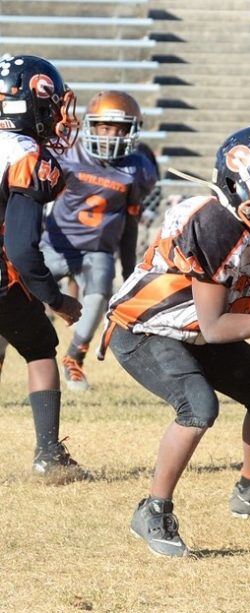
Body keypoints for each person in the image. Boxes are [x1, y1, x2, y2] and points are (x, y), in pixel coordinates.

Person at [104, 126, 250, 558]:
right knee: (198, 404)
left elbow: (239, 295)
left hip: (192, 327)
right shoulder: (214, 222)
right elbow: (213, 325)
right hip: (144, 328)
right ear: (239, 185)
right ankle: (153, 510)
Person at [0, 54, 88, 481]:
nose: (57, 115)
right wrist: (56, 299)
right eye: (52, 104)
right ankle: (49, 455)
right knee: (39, 348)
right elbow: (20, 248)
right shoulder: (24, 154)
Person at [40, 90, 157, 391]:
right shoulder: (68, 156)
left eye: (118, 129)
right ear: (91, 126)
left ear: (132, 131)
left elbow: (130, 223)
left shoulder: (134, 169)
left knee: (101, 287)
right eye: (104, 127)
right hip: (56, 244)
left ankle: (74, 358)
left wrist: (131, 272)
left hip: (97, 251)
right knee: (14, 293)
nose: (110, 135)